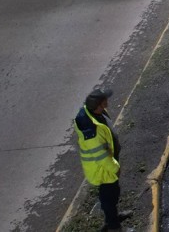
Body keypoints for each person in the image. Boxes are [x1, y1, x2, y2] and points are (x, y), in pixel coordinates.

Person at [74, 87, 131, 231]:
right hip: (103, 170)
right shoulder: (92, 132)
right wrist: (115, 168)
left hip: (108, 163)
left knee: (113, 194)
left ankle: (113, 218)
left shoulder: (96, 113)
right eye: (105, 99)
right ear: (99, 105)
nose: (108, 100)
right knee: (108, 198)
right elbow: (101, 157)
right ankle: (113, 227)